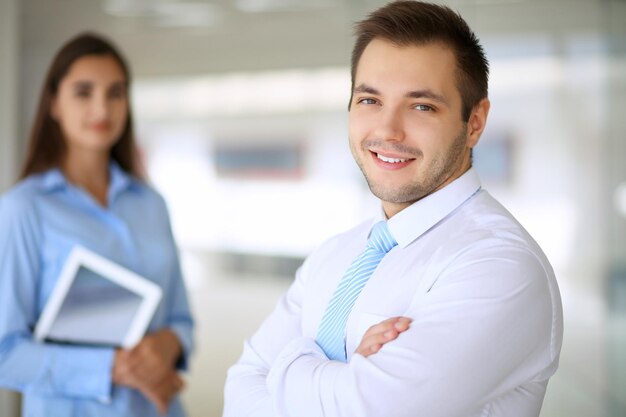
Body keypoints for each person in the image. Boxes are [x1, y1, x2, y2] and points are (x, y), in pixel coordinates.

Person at [223, 1, 563, 416]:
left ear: (474, 122)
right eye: (370, 100)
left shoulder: (500, 265)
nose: (387, 130)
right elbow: (240, 390)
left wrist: (291, 365)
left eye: (422, 106)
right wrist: (344, 376)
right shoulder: (336, 253)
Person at [0, 32, 194, 417]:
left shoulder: (153, 205)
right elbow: (6, 353)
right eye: (83, 92)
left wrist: (167, 346)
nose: (102, 107)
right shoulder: (24, 208)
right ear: (54, 103)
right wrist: (115, 367)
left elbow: (181, 320)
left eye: (115, 92)